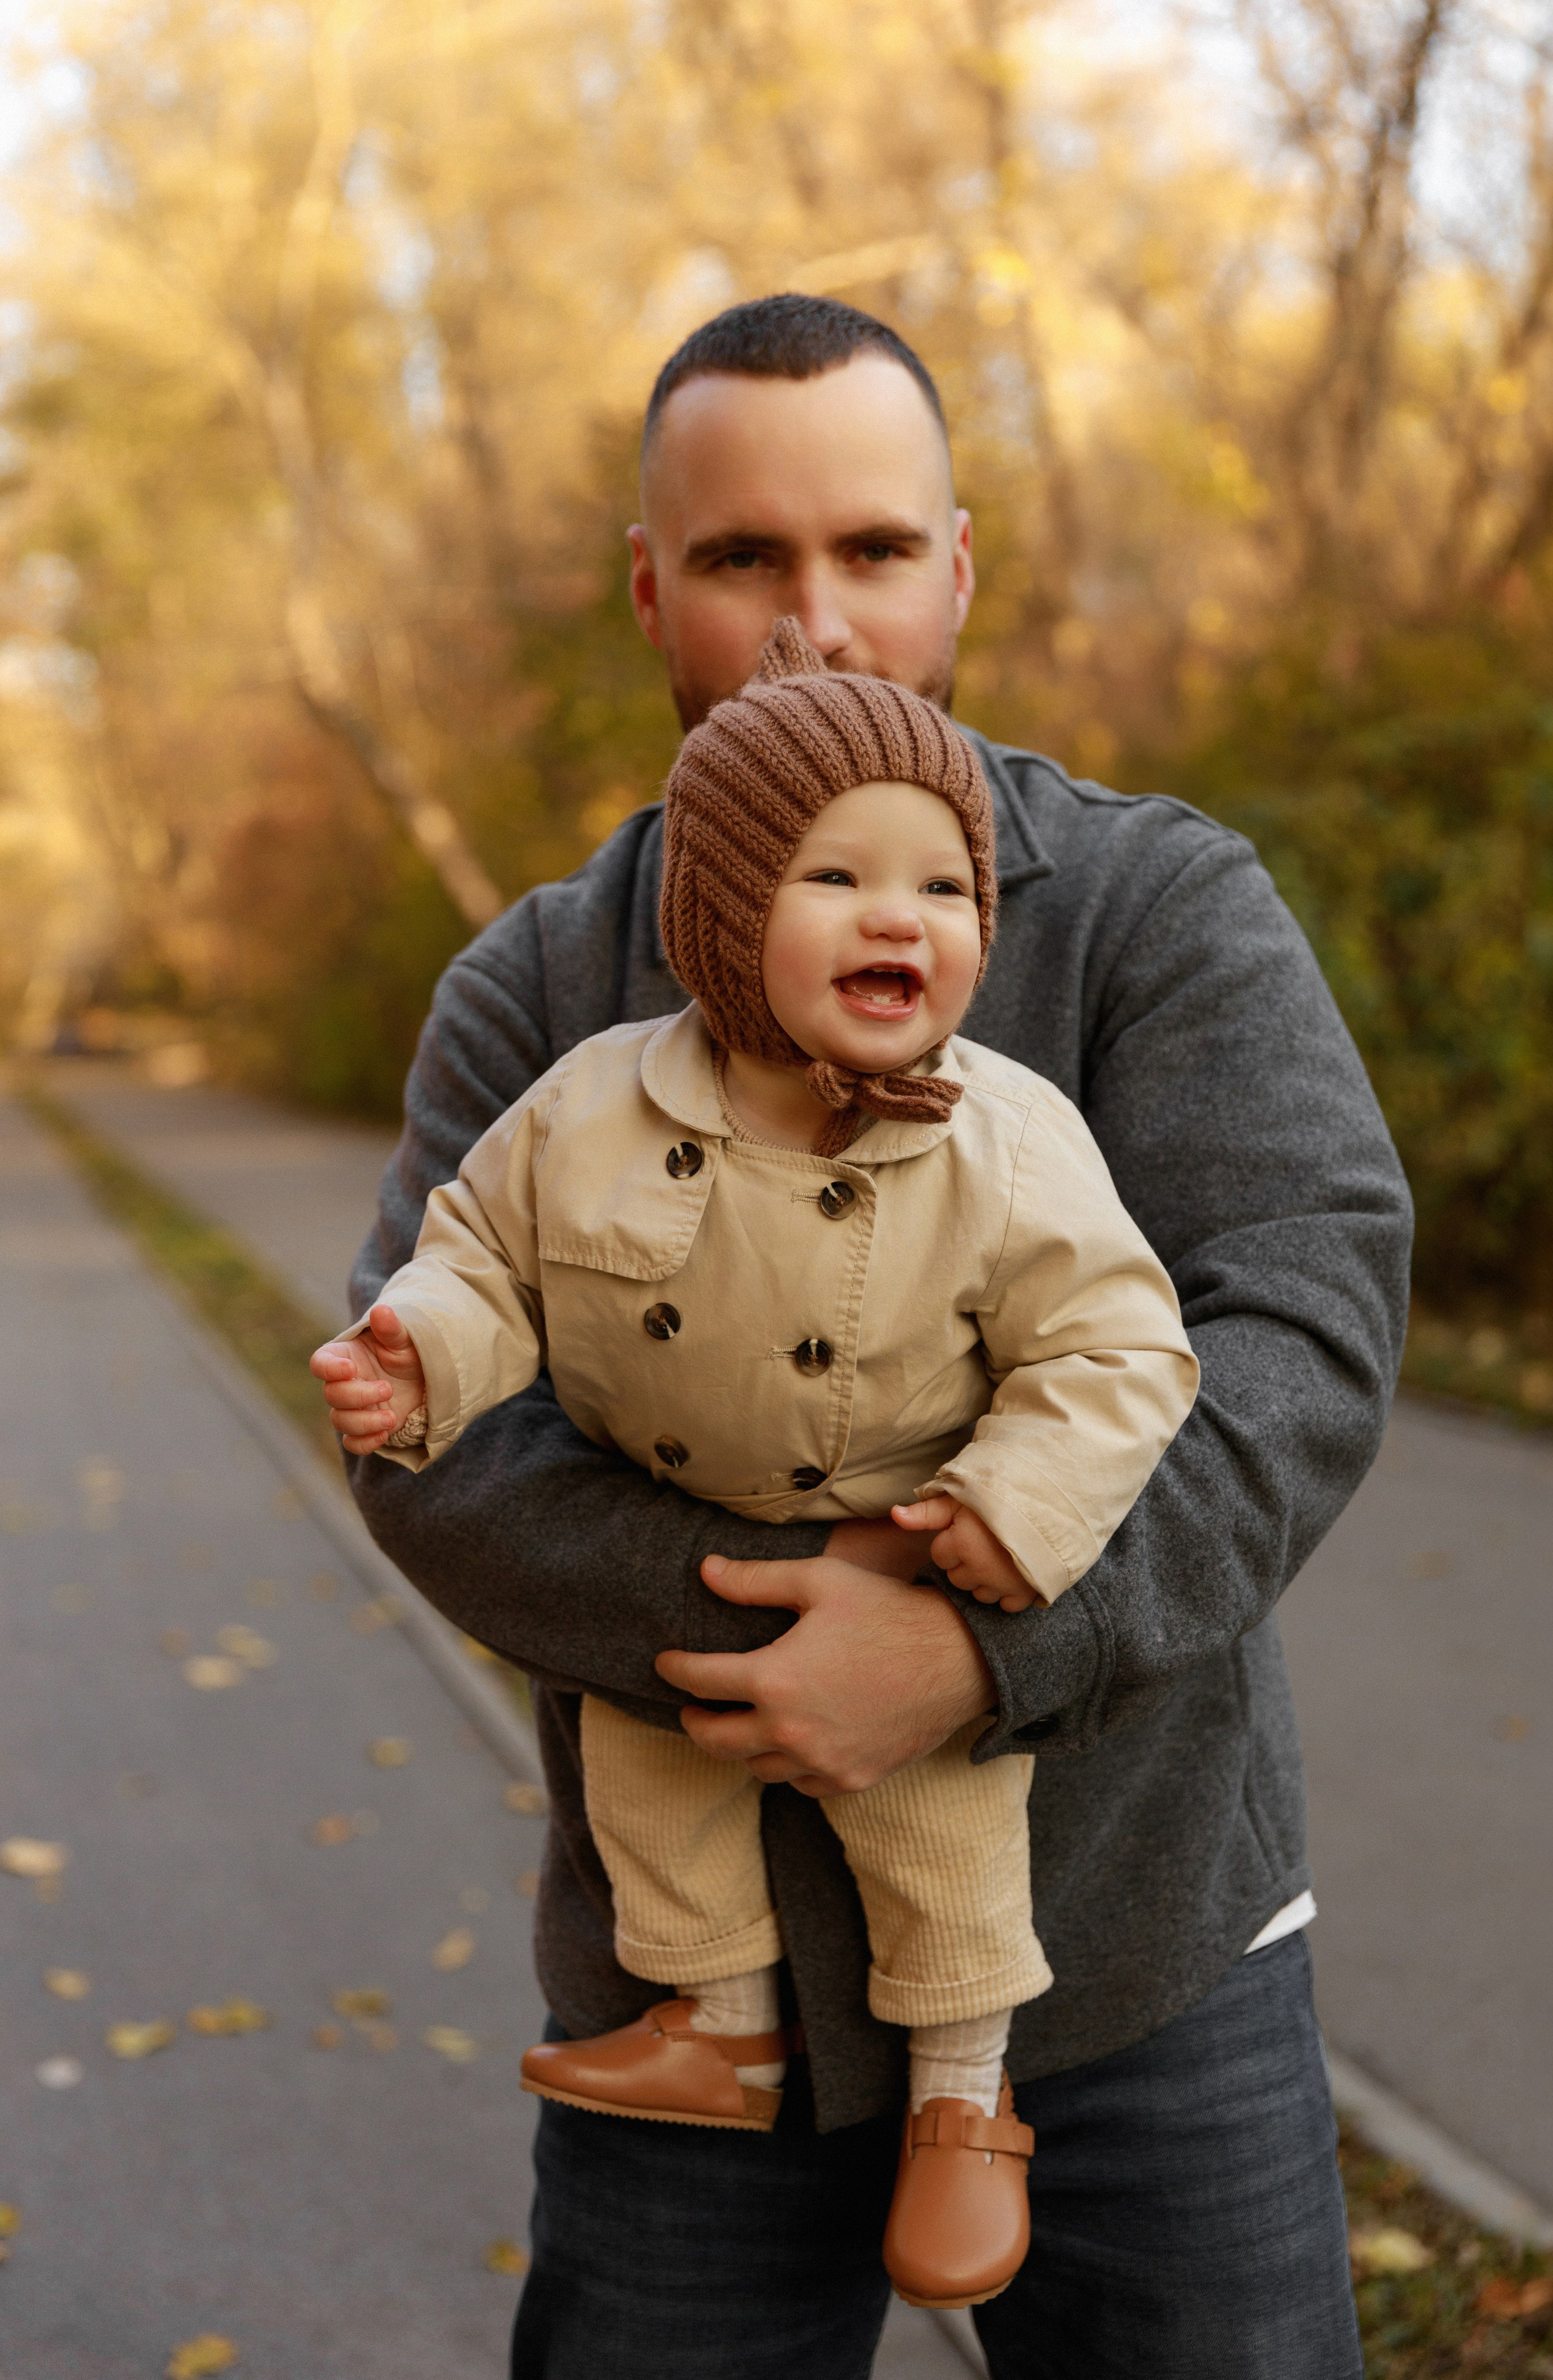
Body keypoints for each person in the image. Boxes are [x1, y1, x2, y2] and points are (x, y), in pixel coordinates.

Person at [346, 293, 1411, 2379]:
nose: (811, 624)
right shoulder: (540, 982)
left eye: (874, 552)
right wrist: (781, 1631)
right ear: (654, 588)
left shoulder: (1153, 908)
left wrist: (974, 1644)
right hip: (687, 2001)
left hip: (1142, 1952)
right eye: (744, 559)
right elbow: (436, 1438)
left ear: (961, 567)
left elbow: (1300, 1325)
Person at [312, 619, 1199, 2313]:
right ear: (722, 916)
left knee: (943, 1832)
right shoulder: (592, 1105)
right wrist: (420, 1350)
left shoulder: (1005, 1135)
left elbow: (1123, 1345)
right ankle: (714, 2026)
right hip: (685, 1549)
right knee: (654, 1772)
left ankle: (961, 2097)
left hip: (907, 1559)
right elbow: (489, 1252)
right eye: (837, 878)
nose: (899, 918)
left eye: (943, 891)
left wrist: (1006, 1515)